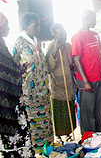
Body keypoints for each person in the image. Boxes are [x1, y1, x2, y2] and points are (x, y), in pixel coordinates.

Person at [12, 12, 53, 154]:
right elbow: (14, 66)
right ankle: (37, 151)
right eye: (35, 26)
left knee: (46, 121)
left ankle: (48, 149)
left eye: (39, 25)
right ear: (25, 26)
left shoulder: (37, 41)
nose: (38, 28)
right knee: (35, 124)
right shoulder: (19, 42)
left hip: (43, 91)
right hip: (30, 94)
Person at [71, 10, 101, 134]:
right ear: (87, 18)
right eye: (94, 18)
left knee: (99, 110)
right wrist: (85, 81)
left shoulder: (95, 35)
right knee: (87, 113)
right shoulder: (77, 37)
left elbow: (98, 55)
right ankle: (88, 140)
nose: (95, 21)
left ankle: (99, 136)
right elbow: (76, 60)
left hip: (99, 78)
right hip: (86, 81)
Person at [0, 12, 35, 158]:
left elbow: (8, 69)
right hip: (6, 104)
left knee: (21, 137)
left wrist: (18, 69)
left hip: (13, 102)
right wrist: (16, 71)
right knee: (13, 140)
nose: (9, 27)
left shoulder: (2, 45)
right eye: (6, 25)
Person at [46, 23, 76, 142]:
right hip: (57, 87)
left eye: (63, 33)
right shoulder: (52, 46)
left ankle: (69, 134)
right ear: (54, 35)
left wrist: (73, 65)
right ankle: (58, 136)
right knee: (59, 115)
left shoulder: (68, 46)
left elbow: (72, 63)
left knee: (69, 114)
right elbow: (49, 68)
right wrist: (55, 49)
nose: (62, 36)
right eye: (59, 34)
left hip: (69, 86)